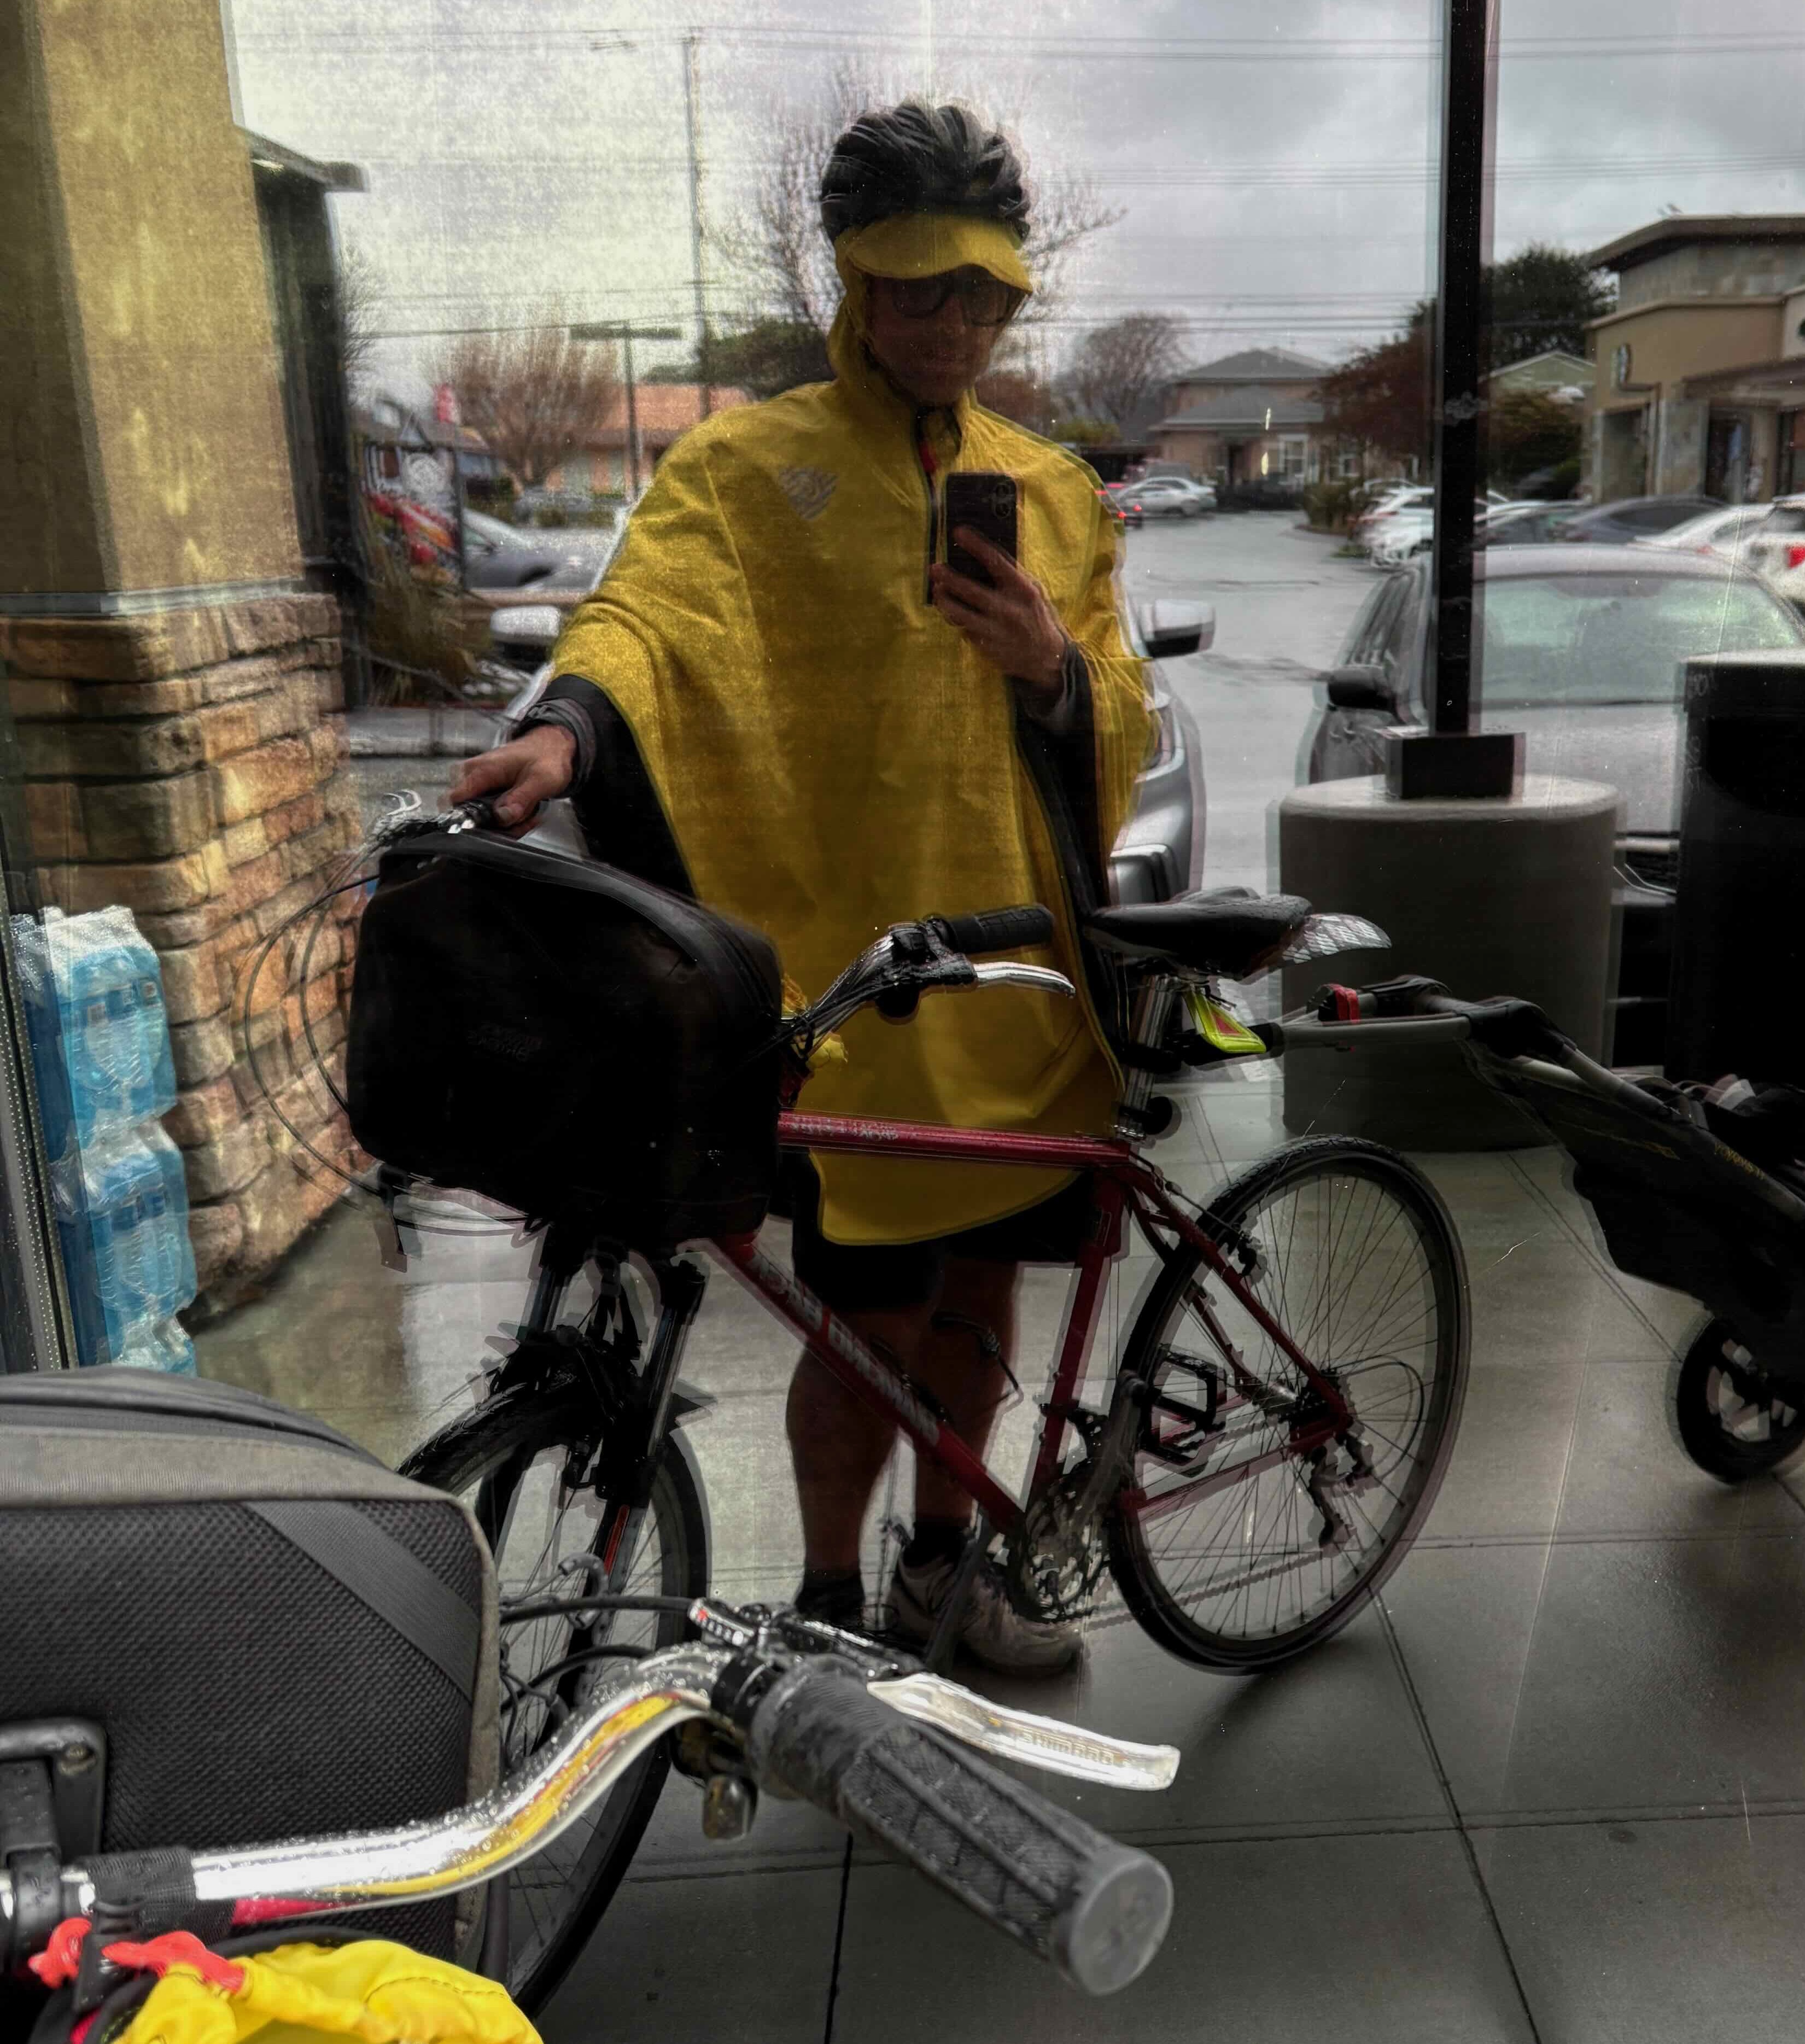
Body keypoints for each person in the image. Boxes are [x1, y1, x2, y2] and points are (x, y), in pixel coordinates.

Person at [449, 101, 1150, 1674]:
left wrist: (1052, 669)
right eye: (915, 287)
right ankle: (833, 1610)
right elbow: (643, 612)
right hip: (847, 992)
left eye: (976, 291)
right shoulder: (744, 469)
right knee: (858, 1325)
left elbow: (1120, 702)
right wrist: (564, 729)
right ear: (850, 284)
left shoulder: (1050, 486)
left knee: (980, 1291)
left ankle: (940, 1570)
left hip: (1017, 983)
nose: (950, 320)